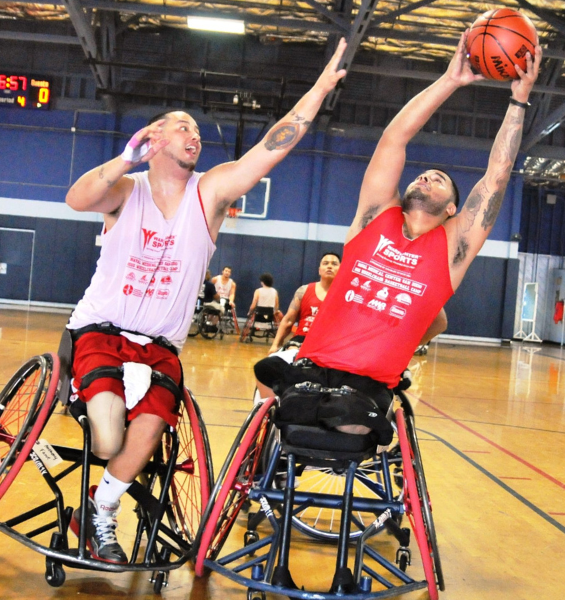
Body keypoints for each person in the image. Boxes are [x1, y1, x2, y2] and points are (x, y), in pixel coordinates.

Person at [59, 40, 350, 563]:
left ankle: (98, 512)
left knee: (145, 432)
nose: (194, 134)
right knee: (106, 439)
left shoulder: (210, 191)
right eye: (183, 126)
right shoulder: (126, 190)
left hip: (159, 349)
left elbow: (271, 148)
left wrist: (320, 90)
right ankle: (103, 454)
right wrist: (124, 159)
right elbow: (76, 199)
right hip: (100, 330)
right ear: (155, 138)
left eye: (196, 129)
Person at [265, 38, 536, 441]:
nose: (426, 176)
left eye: (439, 179)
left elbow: (496, 177)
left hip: (369, 384)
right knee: (270, 385)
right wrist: (450, 79)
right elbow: (394, 138)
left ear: (451, 211)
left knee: (352, 419)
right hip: (313, 365)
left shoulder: (452, 249)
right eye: (422, 173)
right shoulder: (376, 216)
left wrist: (519, 102)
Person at [270, 252, 341, 351]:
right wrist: (275, 345)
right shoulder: (303, 290)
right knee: (265, 365)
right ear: (319, 270)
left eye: (334, 264)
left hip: (329, 343)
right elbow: (288, 321)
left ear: (341, 269)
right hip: (301, 340)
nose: (329, 266)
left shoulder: (347, 295)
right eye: (325, 263)